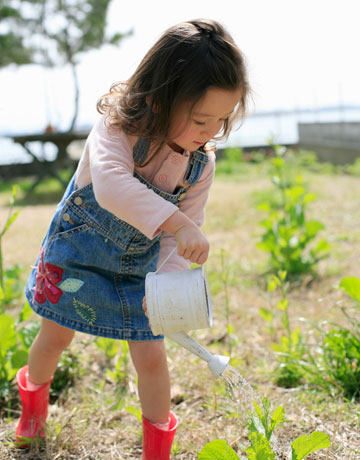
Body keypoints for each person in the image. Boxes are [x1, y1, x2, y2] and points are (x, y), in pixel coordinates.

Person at [15, 18, 250, 459]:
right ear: (162, 98)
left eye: (221, 120)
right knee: (54, 339)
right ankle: (33, 409)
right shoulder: (117, 129)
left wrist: (168, 283)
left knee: (152, 359)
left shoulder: (200, 164)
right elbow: (112, 186)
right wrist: (179, 225)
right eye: (201, 119)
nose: (210, 132)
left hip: (139, 272)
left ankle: (157, 447)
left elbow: (182, 236)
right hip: (78, 256)